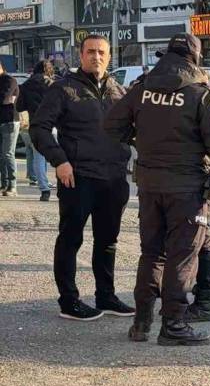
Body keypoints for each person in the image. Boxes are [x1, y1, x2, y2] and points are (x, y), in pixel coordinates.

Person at [104, 33, 210, 346]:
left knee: (152, 254)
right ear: (195, 58)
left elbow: (111, 125)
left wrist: (139, 139)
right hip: (188, 189)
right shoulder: (200, 94)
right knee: (181, 257)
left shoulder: (142, 89)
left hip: (150, 186)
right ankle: (174, 324)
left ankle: (141, 323)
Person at [30, 35, 133, 321]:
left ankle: (106, 296)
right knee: (70, 239)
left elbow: (135, 130)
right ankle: (69, 301)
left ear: (109, 56)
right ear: (81, 55)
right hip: (78, 178)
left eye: (101, 52)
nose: (96, 57)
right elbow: (39, 128)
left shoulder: (118, 91)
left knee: (108, 241)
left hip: (113, 179)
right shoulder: (63, 90)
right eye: (90, 52)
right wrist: (60, 161)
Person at [15, 60, 54, 200]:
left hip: (36, 125)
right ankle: (63, 186)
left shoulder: (25, 85)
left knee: (39, 156)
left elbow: (19, 107)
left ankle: (44, 189)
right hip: (53, 125)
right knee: (60, 157)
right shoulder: (52, 84)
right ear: (48, 70)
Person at [0, 62, 19, 196]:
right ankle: (4, 184)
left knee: (8, 153)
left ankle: (13, 186)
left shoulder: (9, 80)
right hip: (2, 121)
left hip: (10, 121)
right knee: (1, 155)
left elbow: (4, 98)